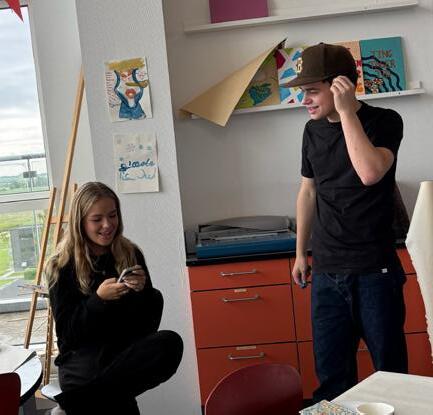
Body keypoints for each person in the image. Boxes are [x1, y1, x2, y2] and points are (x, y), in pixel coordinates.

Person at [286, 43, 408, 402]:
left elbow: (370, 172)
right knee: (331, 383)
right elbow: (308, 191)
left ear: (340, 85)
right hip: (326, 271)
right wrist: (300, 253)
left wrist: (345, 113)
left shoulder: (385, 121)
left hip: (375, 272)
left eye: (311, 91)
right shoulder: (311, 131)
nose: (305, 100)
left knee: (391, 376)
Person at [45, 182, 183, 414]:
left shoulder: (130, 253)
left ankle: (72, 405)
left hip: (120, 360)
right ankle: (82, 401)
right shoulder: (60, 265)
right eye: (97, 219)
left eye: (112, 215)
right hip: (83, 363)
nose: (107, 225)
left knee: (170, 342)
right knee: (110, 389)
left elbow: (147, 329)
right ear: (80, 222)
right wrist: (98, 300)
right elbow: (68, 335)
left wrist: (142, 293)